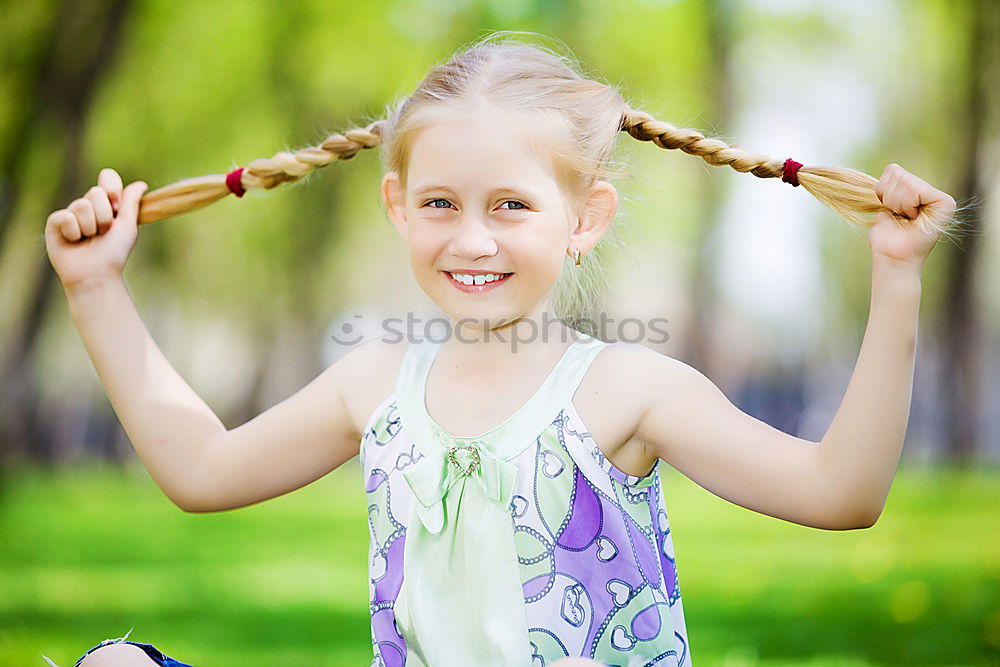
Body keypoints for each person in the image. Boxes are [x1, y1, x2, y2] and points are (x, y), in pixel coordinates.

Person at [42, 31, 957, 667]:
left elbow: (843, 495)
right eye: (440, 203)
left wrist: (897, 278)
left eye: (511, 205)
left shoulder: (629, 389)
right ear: (399, 207)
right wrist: (94, 289)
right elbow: (201, 467)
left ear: (583, 220)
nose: (471, 238)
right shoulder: (375, 384)